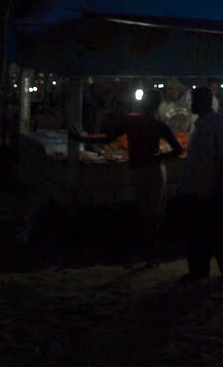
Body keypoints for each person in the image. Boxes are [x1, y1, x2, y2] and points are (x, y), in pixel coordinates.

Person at [70, 90, 183, 267]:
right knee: (152, 214)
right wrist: (160, 156)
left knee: (141, 211)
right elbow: (178, 150)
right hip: (154, 170)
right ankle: (151, 256)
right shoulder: (158, 125)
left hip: (139, 169)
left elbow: (108, 138)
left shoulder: (132, 122)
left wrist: (82, 138)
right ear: (157, 105)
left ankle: (139, 255)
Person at [178, 85, 223, 281]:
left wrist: (218, 188)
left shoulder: (219, 123)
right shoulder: (198, 123)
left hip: (212, 190)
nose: (191, 105)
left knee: (219, 233)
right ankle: (199, 270)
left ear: (205, 102)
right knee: (197, 233)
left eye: (194, 101)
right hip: (196, 188)